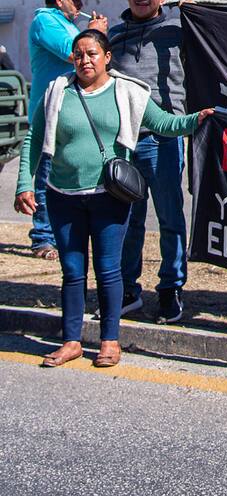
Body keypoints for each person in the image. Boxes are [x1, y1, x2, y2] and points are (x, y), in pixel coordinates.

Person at [13, 29, 212, 368]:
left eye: (92, 53)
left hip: (108, 197)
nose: (84, 60)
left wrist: (197, 120)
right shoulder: (57, 91)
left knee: (108, 271)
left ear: (107, 58)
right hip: (63, 196)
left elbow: (163, 122)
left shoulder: (127, 91)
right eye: (78, 54)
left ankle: (109, 340)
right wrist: (24, 185)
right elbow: (34, 137)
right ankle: (71, 341)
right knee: (72, 271)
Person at [107, 0, 190, 323]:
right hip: (124, 138)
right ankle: (128, 287)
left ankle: (171, 287)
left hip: (165, 137)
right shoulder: (113, 35)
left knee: (170, 216)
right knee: (128, 218)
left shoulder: (177, 31)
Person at [26, 0, 106, 260]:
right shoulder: (45, 21)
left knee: (65, 171)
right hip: (49, 108)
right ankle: (43, 236)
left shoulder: (69, 24)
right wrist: (94, 34)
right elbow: (73, 54)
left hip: (72, 108)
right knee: (46, 172)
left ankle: (60, 234)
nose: (80, 3)